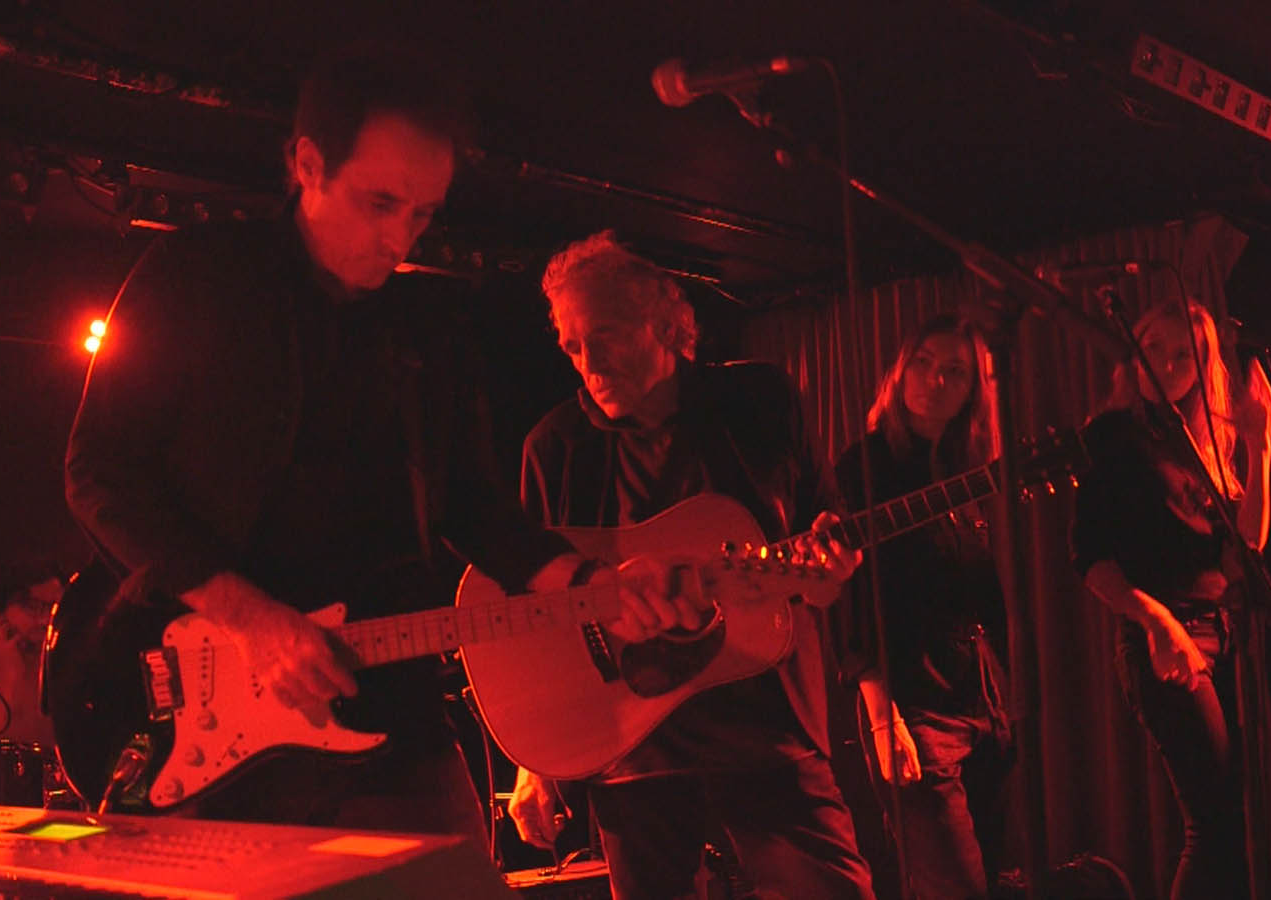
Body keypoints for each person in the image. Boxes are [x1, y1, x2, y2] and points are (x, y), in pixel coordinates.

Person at [60, 42, 626, 841]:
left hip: (389, 708)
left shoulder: (429, 330)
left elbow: (476, 507)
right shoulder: (195, 275)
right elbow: (99, 471)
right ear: (307, 164)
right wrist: (253, 619)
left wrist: (597, 585)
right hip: (205, 709)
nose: (401, 238)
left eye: (423, 213)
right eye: (380, 202)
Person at [506, 230, 875, 899]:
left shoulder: (759, 402)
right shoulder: (554, 449)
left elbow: (820, 543)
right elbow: (534, 616)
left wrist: (829, 574)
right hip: (629, 742)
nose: (590, 364)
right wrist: (536, 765)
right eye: (572, 347)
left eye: (605, 335)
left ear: (666, 326)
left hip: (764, 719)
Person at [1071, 299, 1271, 900]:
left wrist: (1260, 447)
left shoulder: (1201, 440)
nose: (1164, 364)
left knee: (1236, 816)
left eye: (1183, 354)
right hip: (1163, 634)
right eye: (1152, 349)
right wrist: (1156, 620)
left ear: (1203, 365)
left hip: (1224, 629)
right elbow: (1089, 557)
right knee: (1212, 821)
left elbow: (1245, 551)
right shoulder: (1111, 436)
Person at [831, 312, 1013, 898]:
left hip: (982, 702)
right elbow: (851, 602)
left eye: (955, 371)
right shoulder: (862, 466)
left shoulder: (963, 469)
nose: (935, 380)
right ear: (900, 370)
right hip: (914, 709)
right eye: (924, 363)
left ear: (973, 391)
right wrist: (884, 717)